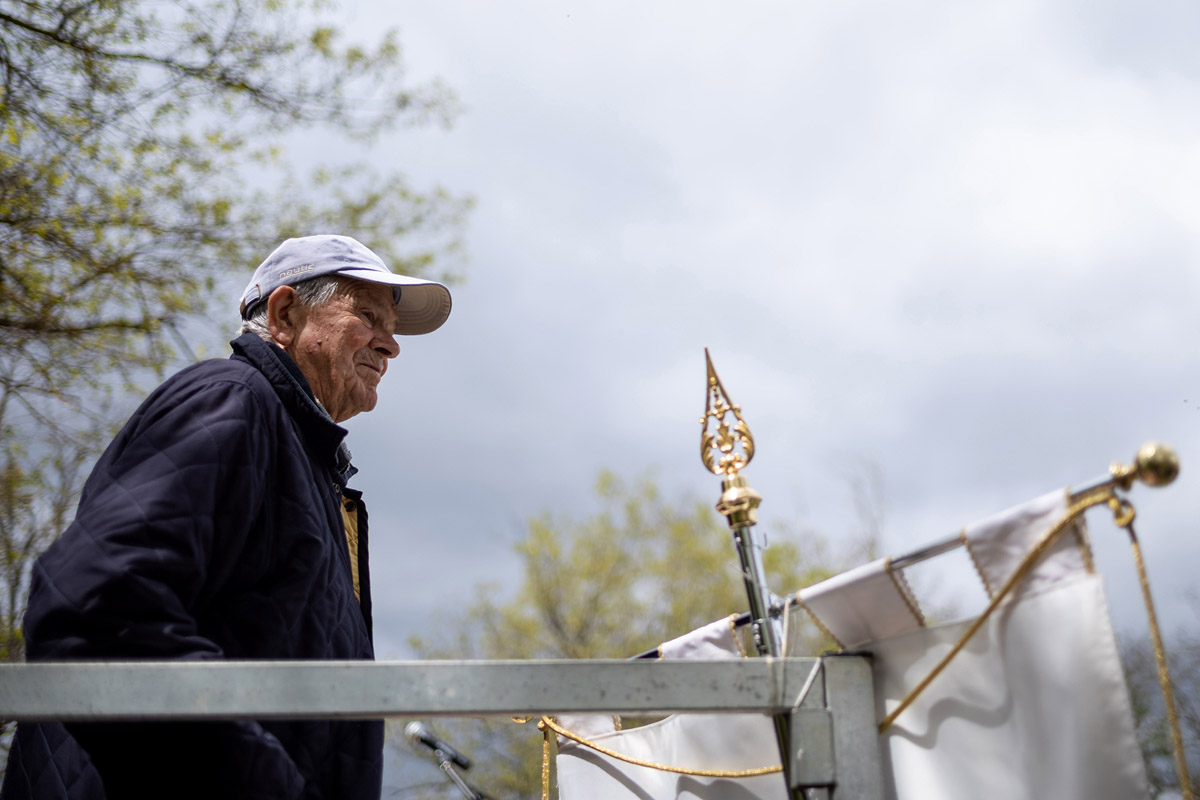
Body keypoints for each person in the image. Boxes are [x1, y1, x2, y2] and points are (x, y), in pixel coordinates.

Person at [1, 234, 452, 800]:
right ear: (285, 312)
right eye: (368, 315)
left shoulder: (309, 465)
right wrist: (261, 782)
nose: (391, 347)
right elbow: (96, 607)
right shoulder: (232, 401)